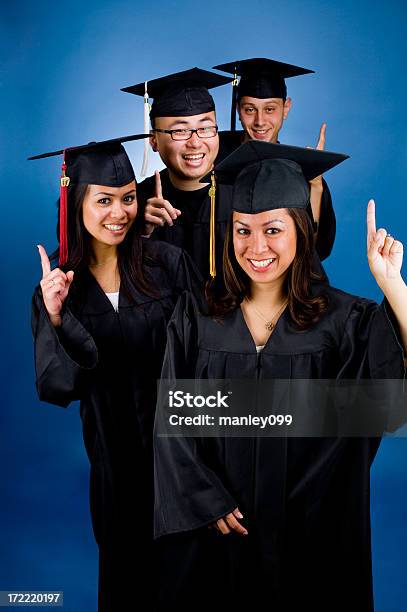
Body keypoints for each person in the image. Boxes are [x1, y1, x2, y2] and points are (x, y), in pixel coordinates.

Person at [153, 142, 407, 612]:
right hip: (220, 530)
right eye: (242, 230)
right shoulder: (197, 315)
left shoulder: (346, 321)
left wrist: (393, 284)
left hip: (312, 533)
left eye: (273, 229)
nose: (256, 247)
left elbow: (393, 402)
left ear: (302, 231)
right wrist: (204, 498)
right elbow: (174, 422)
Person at [30, 136, 199, 611]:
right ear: (76, 203)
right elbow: (57, 386)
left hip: (184, 459)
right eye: (104, 200)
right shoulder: (60, 288)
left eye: (128, 198)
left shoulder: (167, 265)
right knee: (128, 585)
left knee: (192, 580)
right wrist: (59, 319)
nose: (119, 212)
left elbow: (204, 354)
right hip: (116, 468)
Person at [122, 67, 333, 278]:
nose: (195, 143)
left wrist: (313, 186)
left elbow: (305, 264)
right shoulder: (137, 202)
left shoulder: (250, 193)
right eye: (180, 131)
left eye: (205, 128)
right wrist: (141, 232)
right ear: (153, 140)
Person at [214, 57, 335, 260]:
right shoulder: (211, 152)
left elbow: (314, 251)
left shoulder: (296, 168)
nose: (260, 121)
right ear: (238, 109)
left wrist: (315, 186)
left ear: (285, 109)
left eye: (270, 109)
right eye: (250, 109)